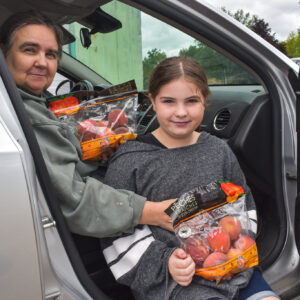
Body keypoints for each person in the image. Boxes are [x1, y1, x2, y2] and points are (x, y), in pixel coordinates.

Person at [101, 57, 279, 300]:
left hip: (234, 269)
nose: (181, 112)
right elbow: (115, 233)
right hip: (175, 283)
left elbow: (243, 203)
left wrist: (236, 248)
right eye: (168, 101)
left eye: (192, 101)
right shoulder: (130, 160)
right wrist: (167, 263)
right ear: (152, 101)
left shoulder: (218, 150)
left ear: (205, 100)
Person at [0, 10, 174, 238]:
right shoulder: (25, 115)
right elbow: (73, 197)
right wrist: (151, 211)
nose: (42, 63)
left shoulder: (27, 101)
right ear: (4, 54)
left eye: (51, 55)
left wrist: (95, 151)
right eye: (29, 50)